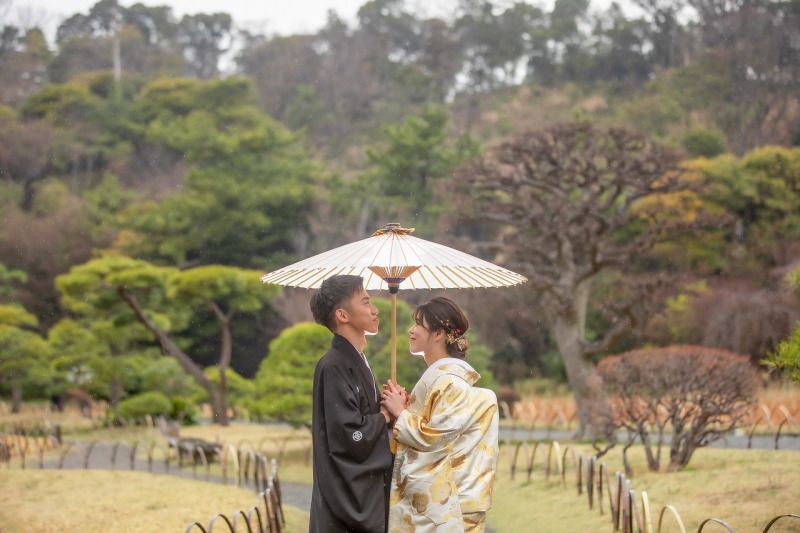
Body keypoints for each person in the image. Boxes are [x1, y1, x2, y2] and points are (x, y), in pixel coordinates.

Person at [381, 297, 499, 533]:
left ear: (438, 334)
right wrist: (405, 408)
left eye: (418, 324)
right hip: (451, 498)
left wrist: (401, 413)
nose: (411, 330)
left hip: (451, 502)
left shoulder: (449, 382)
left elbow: (434, 439)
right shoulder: (444, 379)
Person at [309, 274, 394, 532]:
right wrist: (385, 416)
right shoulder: (332, 365)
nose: (375, 309)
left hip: (363, 494)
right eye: (366, 302)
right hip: (343, 500)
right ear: (343, 315)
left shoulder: (357, 360)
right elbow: (348, 434)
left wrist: (393, 405)